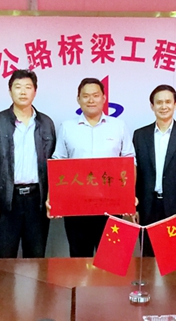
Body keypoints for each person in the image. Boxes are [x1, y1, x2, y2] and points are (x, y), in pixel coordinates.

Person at [52, 77, 136, 257]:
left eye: (96, 95)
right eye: (86, 96)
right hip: (76, 207)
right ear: (78, 99)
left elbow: (130, 161)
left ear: (104, 98)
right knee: (79, 259)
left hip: (111, 206)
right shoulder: (67, 127)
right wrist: (54, 199)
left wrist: (129, 196)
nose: (91, 100)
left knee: (111, 259)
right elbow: (58, 162)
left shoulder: (118, 126)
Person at [0, 69, 56, 258]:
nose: (23, 92)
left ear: (35, 91)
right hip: (6, 201)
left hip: (37, 201)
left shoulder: (46, 123)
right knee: (3, 259)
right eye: (18, 87)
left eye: (28, 87)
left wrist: (53, 198)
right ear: (10, 90)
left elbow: (54, 165)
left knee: (36, 258)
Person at [133, 84, 176, 256]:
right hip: (148, 207)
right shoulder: (140, 135)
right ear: (152, 106)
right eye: (159, 102)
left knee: (174, 259)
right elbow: (135, 173)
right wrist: (135, 207)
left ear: (175, 104)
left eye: (168, 102)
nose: (164, 106)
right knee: (148, 259)